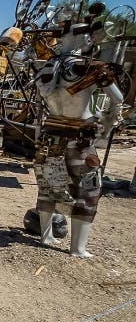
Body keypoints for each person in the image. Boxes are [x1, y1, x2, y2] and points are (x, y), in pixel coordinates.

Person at [33, 24, 124, 258]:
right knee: (88, 190)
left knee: (49, 185)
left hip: (51, 136)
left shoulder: (47, 69)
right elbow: (118, 98)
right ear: (85, 39)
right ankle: (77, 248)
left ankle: (46, 236)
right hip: (79, 139)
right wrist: (108, 119)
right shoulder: (90, 68)